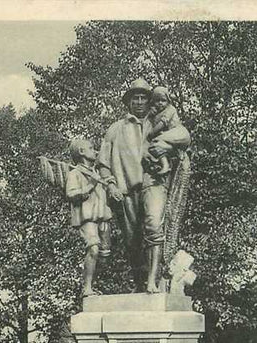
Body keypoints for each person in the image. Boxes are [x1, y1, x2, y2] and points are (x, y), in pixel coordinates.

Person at [98, 78, 190, 294]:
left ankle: (153, 282)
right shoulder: (115, 129)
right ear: (128, 102)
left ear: (149, 101)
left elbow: (185, 135)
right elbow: (102, 164)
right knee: (132, 242)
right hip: (126, 189)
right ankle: (141, 283)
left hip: (154, 183)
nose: (139, 102)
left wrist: (166, 143)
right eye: (135, 98)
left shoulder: (158, 122)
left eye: (143, 98)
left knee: (154, 227)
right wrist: (111, 184)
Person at [65, 138, 112, 297]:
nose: (95, 151)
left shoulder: (97, 173)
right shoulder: (75, 173)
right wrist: (91, 185)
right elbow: (71, 193)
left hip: (102, 217)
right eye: (91, 148)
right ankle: (87, 288)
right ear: (81, 152)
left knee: (104, 255)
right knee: (93, 248)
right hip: (87, 218)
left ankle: (92, 284)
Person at [143, 86, 182, 175]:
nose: (160, 103)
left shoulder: (170, 109)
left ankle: (166, 165)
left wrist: (152, 133)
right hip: (166, 135)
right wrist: (150, 114)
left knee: (155, 144)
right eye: (157, 101)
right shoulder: (156, 112)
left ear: (168, 101)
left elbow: (163, 123)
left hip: (175, 132)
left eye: (163, 100)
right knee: (155, 147)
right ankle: (162, 164)